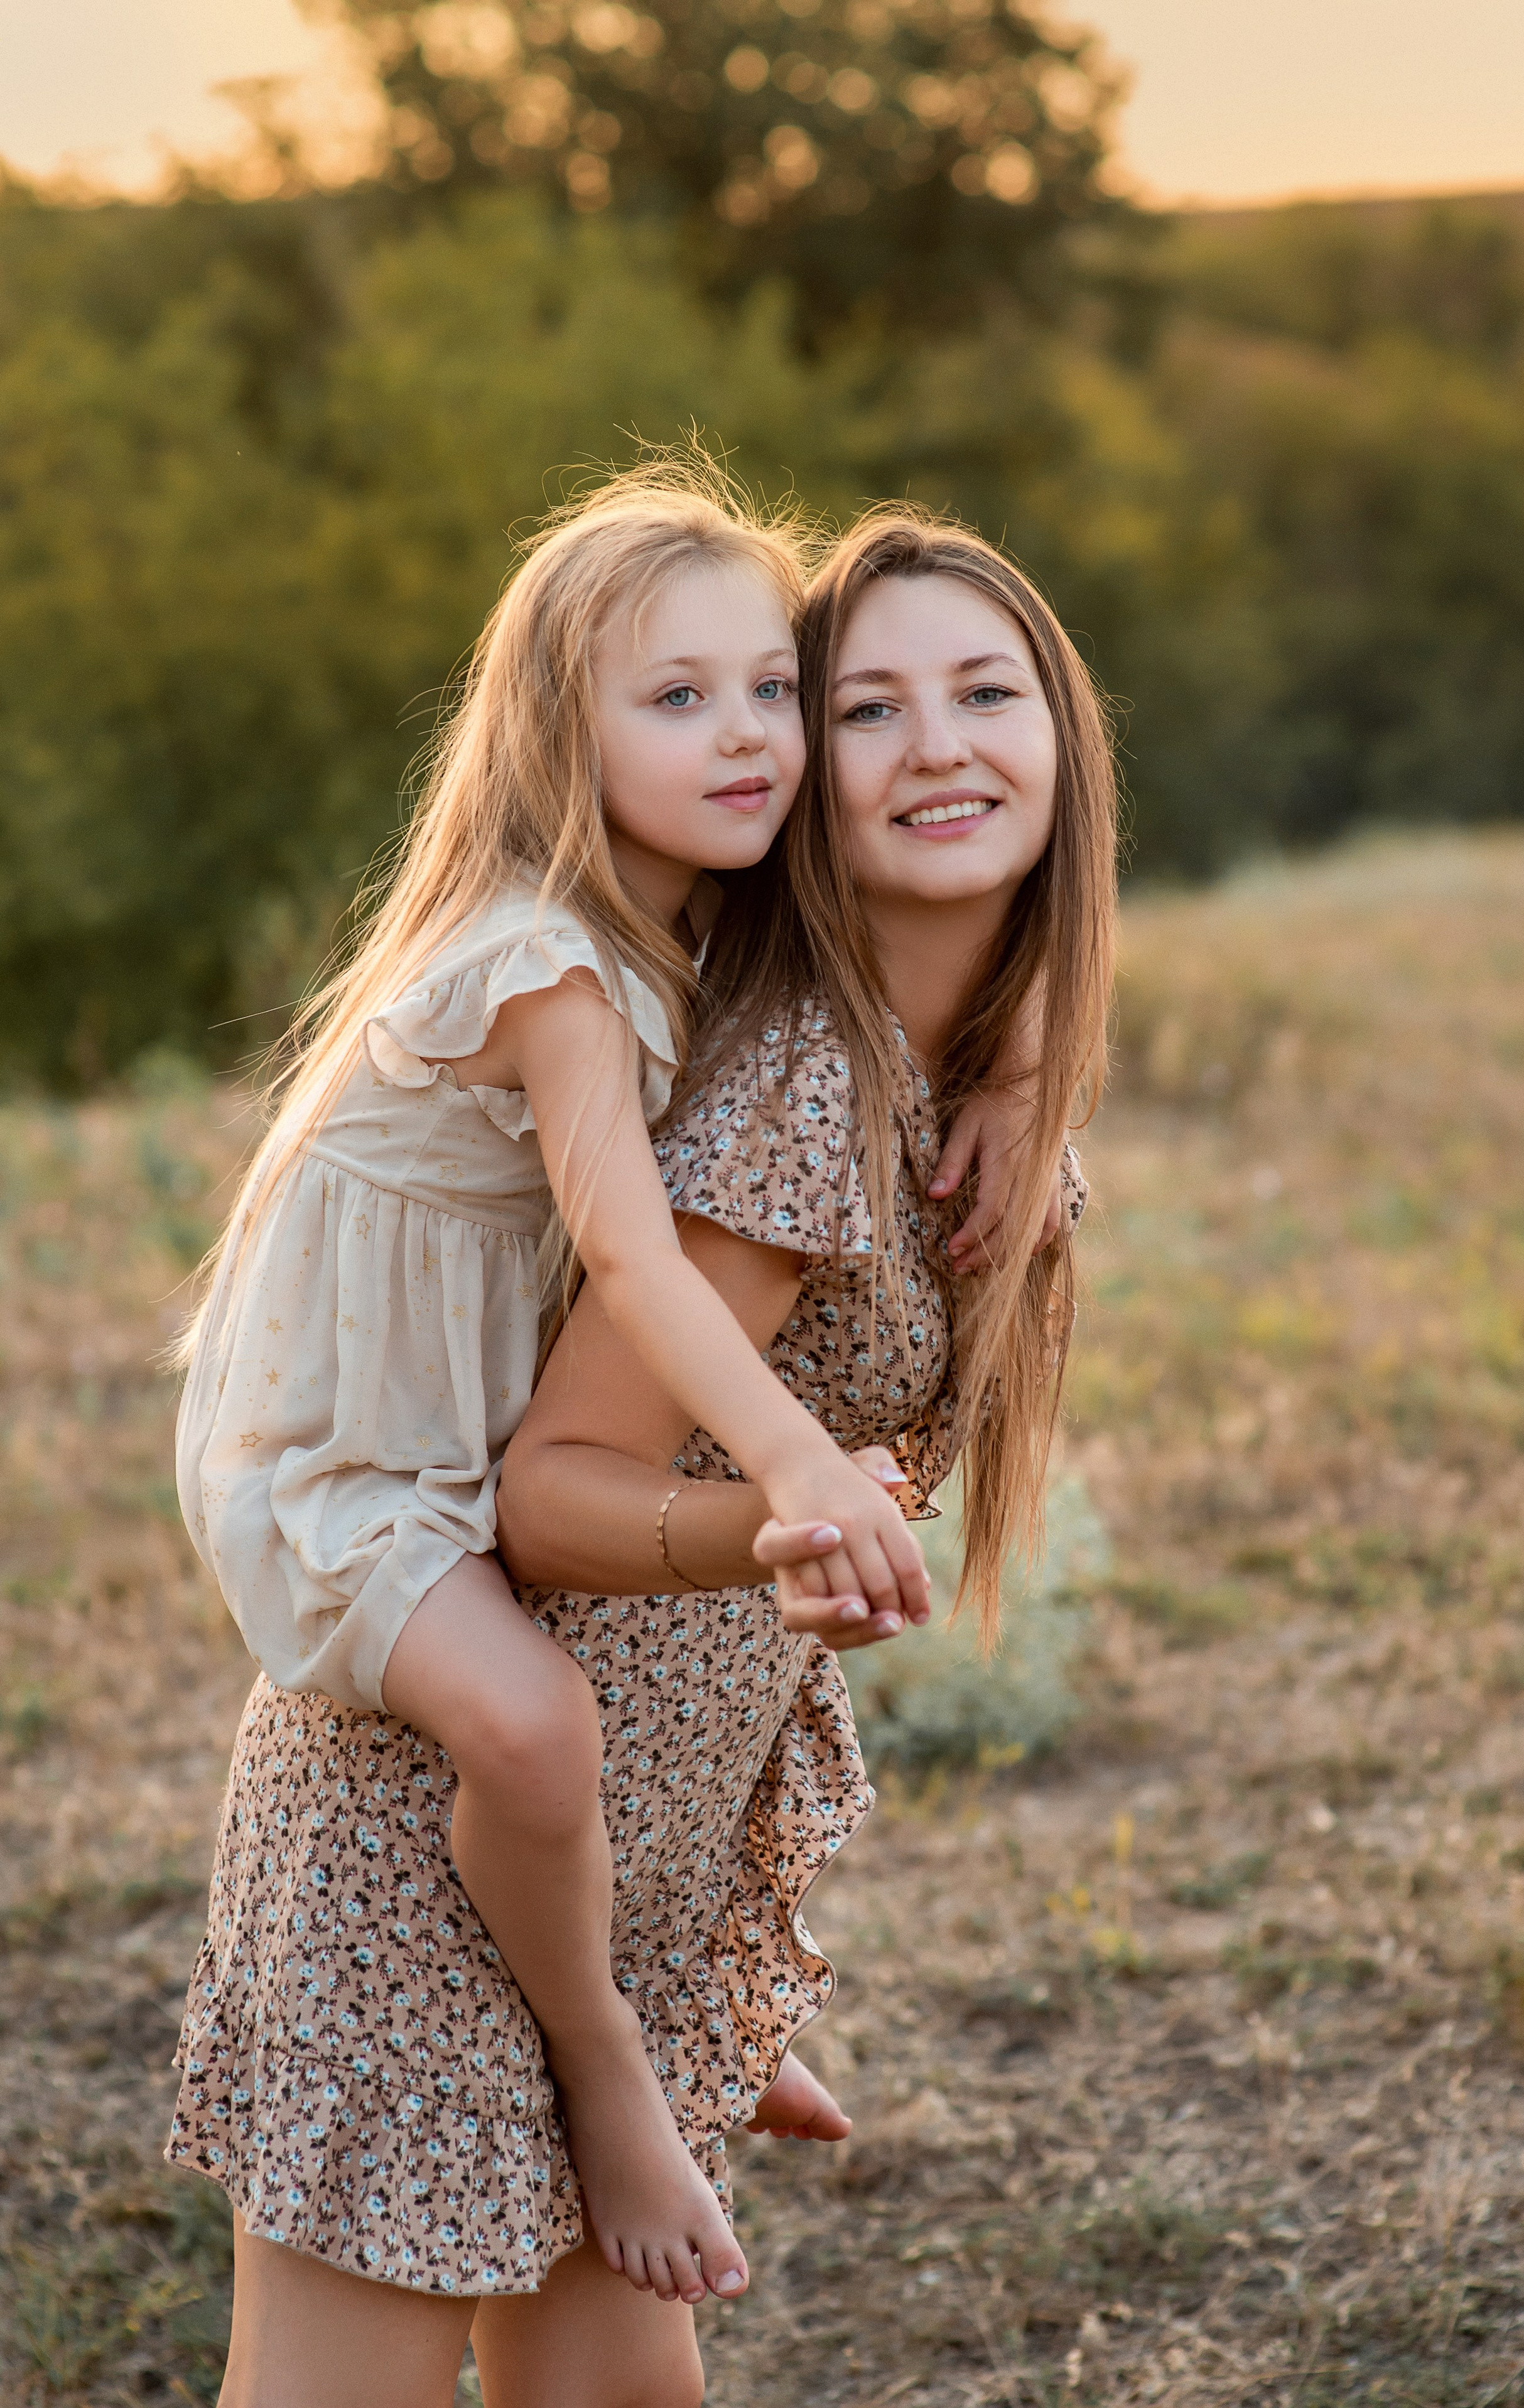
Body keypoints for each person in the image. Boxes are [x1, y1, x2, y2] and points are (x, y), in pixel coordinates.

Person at [183, 506, 1118, 2408]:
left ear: (1068, 736)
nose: (936, 741)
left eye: (986, 691)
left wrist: (1030, 1066)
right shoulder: (784, 1077)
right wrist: (783, 1504)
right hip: (427, 1854)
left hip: (614, 1867)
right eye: (871, 705)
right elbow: (566, 1478)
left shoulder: (924, 1063)